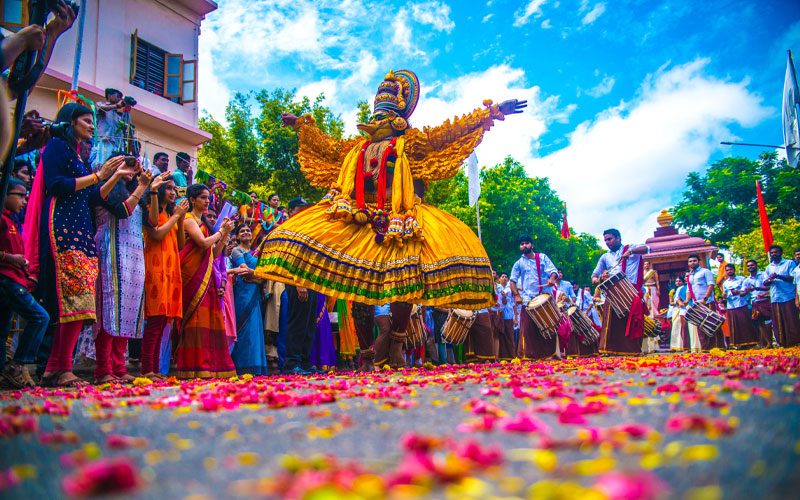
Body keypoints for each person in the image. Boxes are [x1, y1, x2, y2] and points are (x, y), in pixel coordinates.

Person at [255, 69, 526, 363]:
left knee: (404, 282)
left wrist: (491, 113)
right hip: (360, 218)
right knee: (358, 286)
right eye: (376, 116)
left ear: (400, 115)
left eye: (385, 115)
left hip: (402, 219)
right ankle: (367, 353)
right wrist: (303, 128)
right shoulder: (356, 148)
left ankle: (395, 343)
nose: (379, 122)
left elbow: (451, 134)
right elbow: (328, 148)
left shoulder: (413, 143)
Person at [28, 103, 125, 387]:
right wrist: (98, 176)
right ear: (70, 122)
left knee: (81, 304)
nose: (92, 126)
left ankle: (58, 367)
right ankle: (58, 368)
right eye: (86, 120)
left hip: (81, 230)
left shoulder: (78, 155)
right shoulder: (57, 146)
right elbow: (56, 184)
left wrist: (113, 176)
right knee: (70, 300)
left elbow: (94, 197)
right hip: (63, 227)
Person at [93, 161, 152, 384]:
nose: (132, 171)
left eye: (134, 168)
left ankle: (119, 365)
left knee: (129, 311)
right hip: (112, 249)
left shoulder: (136, 191)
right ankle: (103, 368)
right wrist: (140, 187)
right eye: (126, 166)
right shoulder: (107, 189)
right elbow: (123, 211)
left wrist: (151, 190)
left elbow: (152, 222)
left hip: (135, 253)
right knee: (111, 309)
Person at [175, 184, 235, 378]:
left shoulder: (205, 226)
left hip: (207, 278)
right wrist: (220, 232)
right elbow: (201, 244)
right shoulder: (190, 220)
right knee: (195, 321)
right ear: (192, 200)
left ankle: (211, 367)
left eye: (208, 198)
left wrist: (224, 234)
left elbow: (214, 253)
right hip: (192, 277)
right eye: (203, 197)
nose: (207, 201)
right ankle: (193, 367)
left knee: (210, 321)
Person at [0, 178, 48, 388]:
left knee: (2, 329)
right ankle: (18, 366)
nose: (24, 199)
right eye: (19, 194)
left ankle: (4, 371)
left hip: (15, 278)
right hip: (6, 279)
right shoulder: (2, 219)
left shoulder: (12, 220)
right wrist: (11, 259)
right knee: (40, 317)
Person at [141, 176, 186, 378]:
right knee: (154, 322)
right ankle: (147, 370)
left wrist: (181, 218)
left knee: (162, 324)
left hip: (171, 271)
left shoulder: (171, 214)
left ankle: (155, 369)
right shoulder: (154, 209)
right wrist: (176, 217)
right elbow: (156, 235)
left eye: (174, 189)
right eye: (168, 188)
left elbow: (181, 243)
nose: (173, 192)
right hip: (156, 269)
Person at [590, 229, 649, 355]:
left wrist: (630, 252)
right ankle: (611, 350)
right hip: (613, 293)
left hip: (631, 291)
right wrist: (599, 278)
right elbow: (594, 275)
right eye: (605, 240)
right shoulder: (605, 257)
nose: (607, 242)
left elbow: (647, 248)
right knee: (611, 323)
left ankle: (632, 351)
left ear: (618, 238)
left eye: (609, 239)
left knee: (633, 321)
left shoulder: (631, 248)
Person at [282, 197, 321, 375]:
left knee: (309, 323)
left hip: (311, 280)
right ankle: (292, 363)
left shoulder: (307, 228)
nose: (304, 211)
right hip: (296, 280)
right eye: (300, 209)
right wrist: (299, 283)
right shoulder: (288, 228)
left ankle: (305, 362)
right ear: (291, 211)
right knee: (297, 321)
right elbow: (290, 258)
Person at [510, 234, 562, 360]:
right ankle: (528, 355)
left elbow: (553, 271)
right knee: (527, 328)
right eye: (522, 244)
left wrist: (551, 279)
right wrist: (517, 295)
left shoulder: (542, 257)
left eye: (527, 243)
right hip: (528, 300)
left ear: (532, 245)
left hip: (544, 297)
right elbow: (512, 281)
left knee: (549, 327)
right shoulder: (518, 263)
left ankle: (550, 354)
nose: (524, 245)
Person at [229, 224, 268, 376]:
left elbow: (263, 277)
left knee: (255, 330)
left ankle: (255, 367)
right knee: (244, 329)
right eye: (242, 231)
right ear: (237, 236)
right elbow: (243, 270)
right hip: (242, 294)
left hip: (254, 295)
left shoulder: (254, 254)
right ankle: (242, 367)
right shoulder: (236, 250)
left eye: (248, 231)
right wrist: (260, 275)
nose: (245, 233)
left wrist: (258, 277)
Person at [684, 254, 723, 350]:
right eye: (690, 261)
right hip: (696, 304)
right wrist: (686, 301)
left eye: (694, 261)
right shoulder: (689, 276)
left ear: (699, 261)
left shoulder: (705, 271)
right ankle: (705, 348)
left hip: (707, 302)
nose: (692, 263)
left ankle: (718, 347)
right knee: (700, 326)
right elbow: (689, 290)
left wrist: (705, 299)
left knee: (713, 324)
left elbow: (711, 285)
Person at [764, 245, 799, 347]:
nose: (774, 254)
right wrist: (768, 280)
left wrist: (778, 276)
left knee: (791, 320)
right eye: (772, 253)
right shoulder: (768, 267)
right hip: (775, 298)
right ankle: (782, 342)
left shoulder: (789, 263)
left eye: (776, 252)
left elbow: (793, 278)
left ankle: (795, 341)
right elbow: (765, 283)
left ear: (781, 253)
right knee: (778, 322)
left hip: (788, 296)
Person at [721, 263, 759, 349]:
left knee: (745, 324)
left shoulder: (742, 279)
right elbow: (724, 294)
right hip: (731, 306)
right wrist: (724, 296)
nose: (729, 271)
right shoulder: (725, 283)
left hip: (741, 304)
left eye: (730, 269)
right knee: (735, 325)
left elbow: (747, 291)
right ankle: (738, 344)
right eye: (727, 270)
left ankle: (751, 343)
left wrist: (738, 292)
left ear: (734, 270)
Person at [89, 88, 125, 169]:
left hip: (115, 144)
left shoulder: (117, 114)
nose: (120, 99)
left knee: (113, 167)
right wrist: (116, 106)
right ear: (109, 96)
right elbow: (102, 109)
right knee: (102, 165)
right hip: (104, 141)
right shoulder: (100, 104)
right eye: (118, 96)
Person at [742, 259, 774, 349]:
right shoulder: (747, 280)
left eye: (752, 265)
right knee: (760, 323)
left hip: (766, 300)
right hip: (755, 302)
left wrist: (762, 293)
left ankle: (775, 341)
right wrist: (745, 291)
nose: (750, 267)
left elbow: (769, 286)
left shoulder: (764, 274)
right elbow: (742, 292)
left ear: (756, 265)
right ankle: (768, 343)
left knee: (770, 322)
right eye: (748, 266)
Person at [669, 277, 691, 352]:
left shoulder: (684, 288)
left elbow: (682, 300)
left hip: (681, 309)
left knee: (681, 327)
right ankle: (675, 346)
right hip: (676, 309)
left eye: (679, 281)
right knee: (676, 327)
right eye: (676, 281)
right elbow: (672, 302)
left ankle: (682, 346)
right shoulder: (673, 291)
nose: (678, 282)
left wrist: (680, 303)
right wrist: (676, 303)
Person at [497, 273, 516, 361]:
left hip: (508, 313)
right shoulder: (497, 288)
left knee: (509, 335)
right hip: (498, 313)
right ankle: (501, 356)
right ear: (499, 279)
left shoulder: (510, 289)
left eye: (506, 277)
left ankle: (511, 356)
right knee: (500, 335)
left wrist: (516, 317)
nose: (504, 278)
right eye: (502, 277)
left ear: (508, 280)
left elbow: (514, 303)